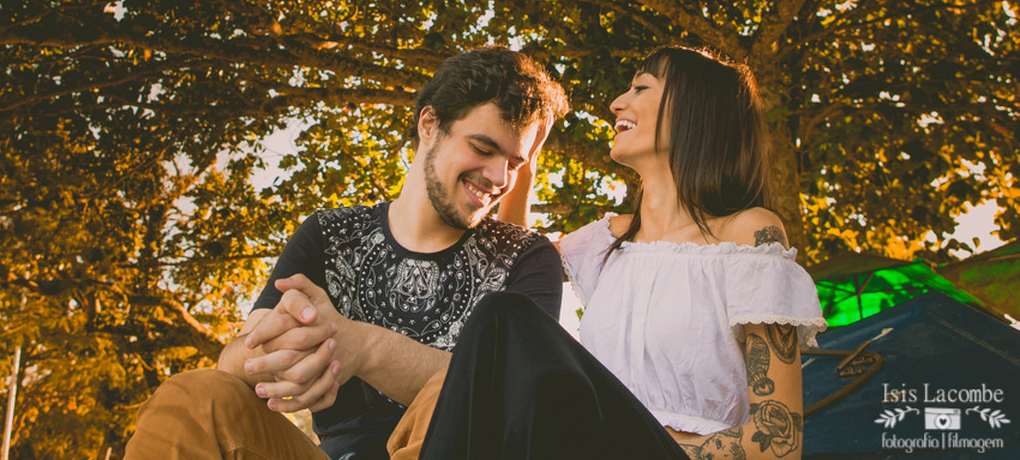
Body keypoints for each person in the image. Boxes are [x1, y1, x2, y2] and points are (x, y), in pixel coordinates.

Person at [123, 46, 570, 460]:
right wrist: (284, 344)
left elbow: (514, 400)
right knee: (195, 398)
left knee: (456, 392)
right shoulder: (329, 233)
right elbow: (236, 363)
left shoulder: (527, 259)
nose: (498, 176)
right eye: (483, 148)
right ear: (429, 125)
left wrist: (362, 346)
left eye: (514, 163)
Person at [387, 45, 827, 460]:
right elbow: (515, 265)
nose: (617, 102)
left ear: (695, 110)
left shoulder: (748, 234)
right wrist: (522, 160)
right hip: (585, 442)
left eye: (641, 88)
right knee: (500, 319)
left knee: (503, 320)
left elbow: (778, 443)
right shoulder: (604, 243)